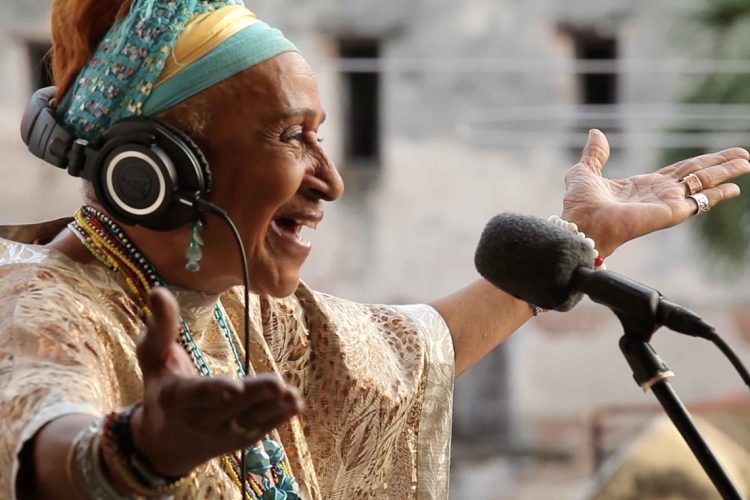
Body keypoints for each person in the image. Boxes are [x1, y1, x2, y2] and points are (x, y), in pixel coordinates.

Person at [1, 0, 749, 499]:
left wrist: (587, 240)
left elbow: (410, 352)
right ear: (155, 170)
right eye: (292, 137)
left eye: (322, 136)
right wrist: (133, 453)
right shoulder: (36, 304)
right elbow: (43, 438)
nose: (329, 179)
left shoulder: (230, 309)